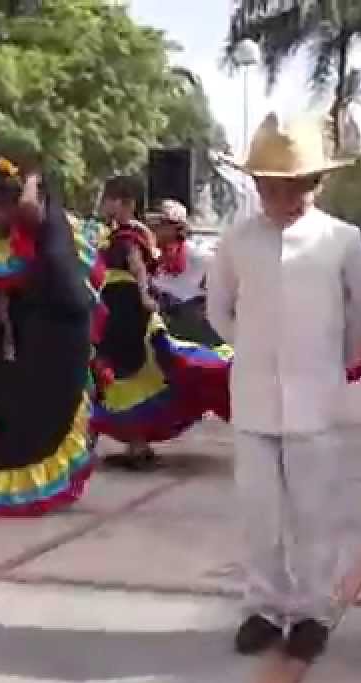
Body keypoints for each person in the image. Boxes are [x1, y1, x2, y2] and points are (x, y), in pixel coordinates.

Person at [208, 113, 361, 662]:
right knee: (259, 511)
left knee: (314, 513)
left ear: (318, 183)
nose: (282, 197)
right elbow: (218, 308)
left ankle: (311, 611)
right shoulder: (237, 239)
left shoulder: (341, 239)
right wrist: (256, 346)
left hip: (317, 399)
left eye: (295, 185)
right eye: (270, 186)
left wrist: (339, 356)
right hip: (255, 396)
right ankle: (262, 607)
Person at [0, 156, 104, 515]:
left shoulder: (47, 228)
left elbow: (69, 294)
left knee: (41, 409)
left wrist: (30, 179)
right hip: (6, 338)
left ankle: (22, 481)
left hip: (58, 335)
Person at [91, 177, 232, 470]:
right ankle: (135, 443)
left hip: (130, 311)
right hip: (120, 309)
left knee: (132, 372)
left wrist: (144, 296)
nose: (104, 205)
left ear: (125, 202)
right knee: (127, 373)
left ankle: (136, 443)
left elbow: (139, 268)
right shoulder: (130, 235)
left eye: (109, 199)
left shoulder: (132, 236)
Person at [148, 199, 223, 346]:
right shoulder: (154, 260)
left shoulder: (199, 257)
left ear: (176, 227)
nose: (153, 229)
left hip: (198, 335)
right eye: (152, 224)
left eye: (160, 224)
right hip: (168, 334)